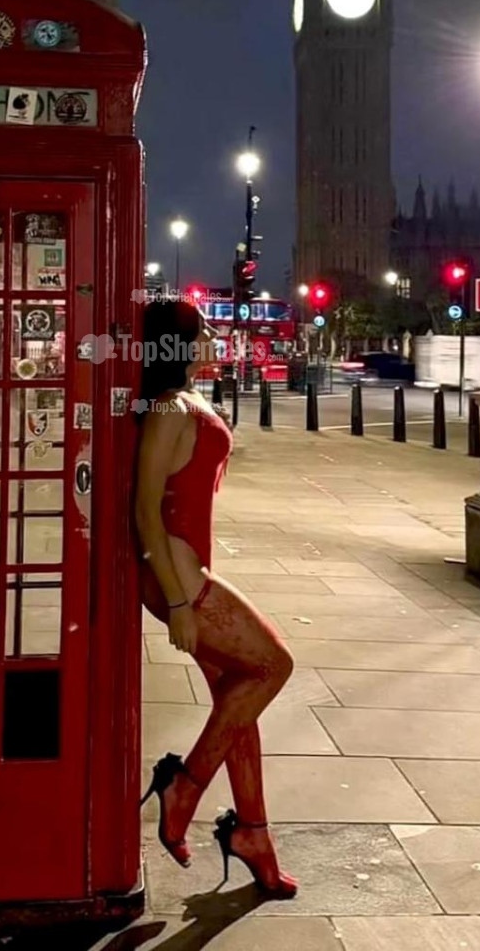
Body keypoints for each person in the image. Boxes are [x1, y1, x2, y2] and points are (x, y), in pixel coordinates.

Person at [135, 299, 297, 898]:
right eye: (201, 330)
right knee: (274, 666)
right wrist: (180, 605)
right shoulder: (168, 409)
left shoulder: (185, 400)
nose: (212, 335)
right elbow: (145, 510)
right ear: (176, 344)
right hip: (180, 581)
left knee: (237, 703)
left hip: (190, 572)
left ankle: (254, 835)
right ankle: (185, 788)